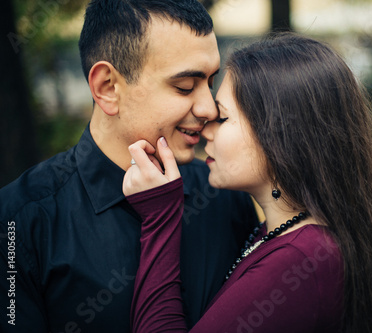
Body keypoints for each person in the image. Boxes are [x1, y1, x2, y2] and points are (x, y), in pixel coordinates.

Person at [0, 1, 259, 332]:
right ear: (107, 88)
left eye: (210, 82)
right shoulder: (18, 222)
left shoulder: (223, 194)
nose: (209, 108)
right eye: (184, 87)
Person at [124, 33, 372, 332]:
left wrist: (159, 218)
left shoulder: (301, 262)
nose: (205, 131)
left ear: (278, 135)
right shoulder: (289, 240)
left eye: (222, 118)